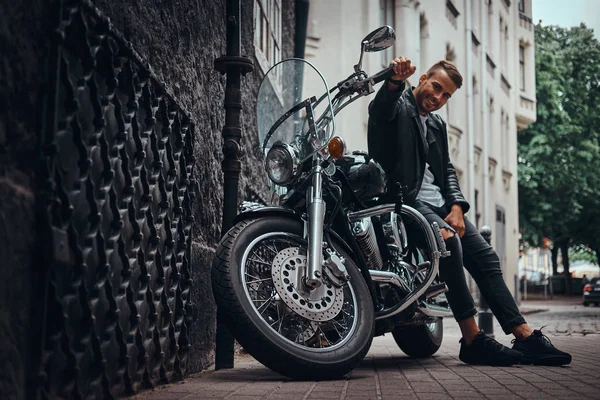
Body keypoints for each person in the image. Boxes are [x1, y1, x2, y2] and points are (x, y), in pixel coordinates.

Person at [367, 56, 572, 366]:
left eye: (446, 95)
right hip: (405, 202)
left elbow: (447, 170)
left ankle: (524, 335)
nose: (437, 98)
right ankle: (473, 338)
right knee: (448, 244)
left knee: (487, 257)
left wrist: (457, 207)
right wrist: (394, 81)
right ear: (422, 78)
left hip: (439, 205)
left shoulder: (436, 124)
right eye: (435, 87)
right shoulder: (399, 109)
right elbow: (380, 110)